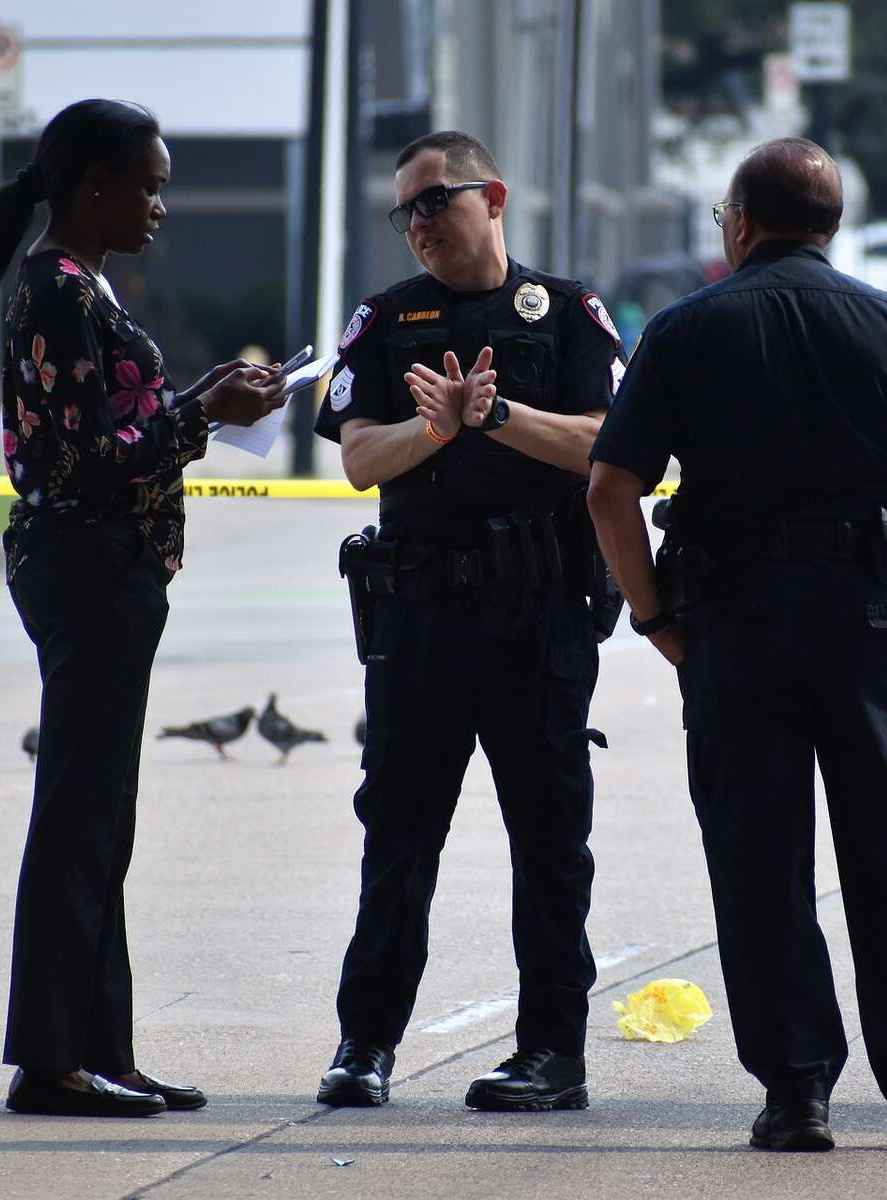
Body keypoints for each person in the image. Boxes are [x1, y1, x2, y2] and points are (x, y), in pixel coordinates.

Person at [587, 137, 887, 1152]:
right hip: (871, 623)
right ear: (829, 223)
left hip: (736, 630)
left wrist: (655, 618)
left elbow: (610, 491)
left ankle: (797, 1092)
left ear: (739, 221)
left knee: (760, 861)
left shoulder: (687, 329)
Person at [0, 98, 288, 1118]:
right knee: (78, 816)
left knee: (103, 816)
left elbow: (119, 424)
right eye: (148, 184)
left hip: (108, 570)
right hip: (88, 565)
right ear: (94, 186)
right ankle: (52, 1062)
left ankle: (98, 1048)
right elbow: (84, 464)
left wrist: (198, 396)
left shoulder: (80, 287)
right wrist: (205, 413)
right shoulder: (60, 291)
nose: (161, 204)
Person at [313, 130, 623, 1112]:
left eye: (433, 203)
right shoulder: (383, 319)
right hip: (419, 622)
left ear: (491, 196)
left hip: (537, 621)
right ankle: (364, 1044)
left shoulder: (566, 312)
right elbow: (360, 457)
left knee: (548, 840)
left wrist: (496, 419)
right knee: (397, 834)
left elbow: (607, 445)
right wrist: (438, 427)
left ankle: (552, 1054)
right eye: (402, 212)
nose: (416, 227)